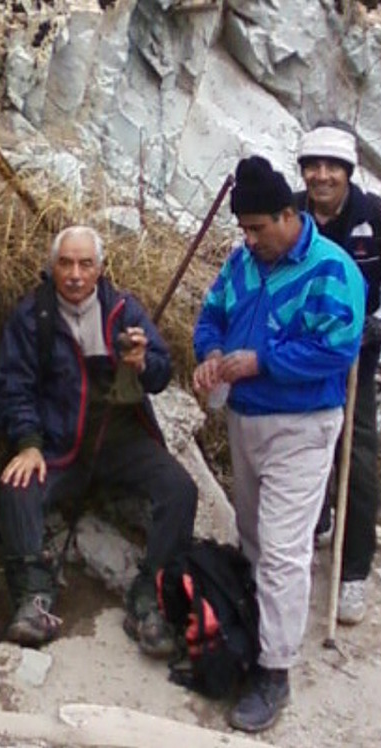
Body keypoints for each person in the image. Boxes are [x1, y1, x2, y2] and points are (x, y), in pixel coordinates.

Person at [192, 156, 365, 733]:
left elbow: (337, 351)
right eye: (243, 229)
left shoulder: (333, 271)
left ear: (289, 215)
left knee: (286, 550)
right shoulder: (242, 262)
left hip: (304, 424)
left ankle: (275, 670)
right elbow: (211, 315)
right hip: (244, 420)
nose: (249, 239)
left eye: (259, 228)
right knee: (253, 535)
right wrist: (211, 355)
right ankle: (255, 630)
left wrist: (260, 361)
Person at [0, 224, 198, 655]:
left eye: (85, 264)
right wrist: (28, 442)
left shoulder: (124, 310)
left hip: (122, 442)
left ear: (100, 269)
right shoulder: (32, 316)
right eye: (65, 263)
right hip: (58, 446)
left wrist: (144, 363)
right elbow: (15, 384)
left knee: (180, 489)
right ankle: (33, 598)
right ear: (52, 267)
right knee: (17, 488)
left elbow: (162, 373)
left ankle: (151, 595)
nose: (74, 274)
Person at [296, 121, 381, 625]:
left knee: (358, 448)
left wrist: (375, 324)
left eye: (332, 167)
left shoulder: (373, 216)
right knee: (306, 436)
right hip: (305, 346)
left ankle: (353, 571)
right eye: (313, 166)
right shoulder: (291, 212)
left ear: (348, 172)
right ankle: (315, 522)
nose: (322, 176)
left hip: (361, 348)